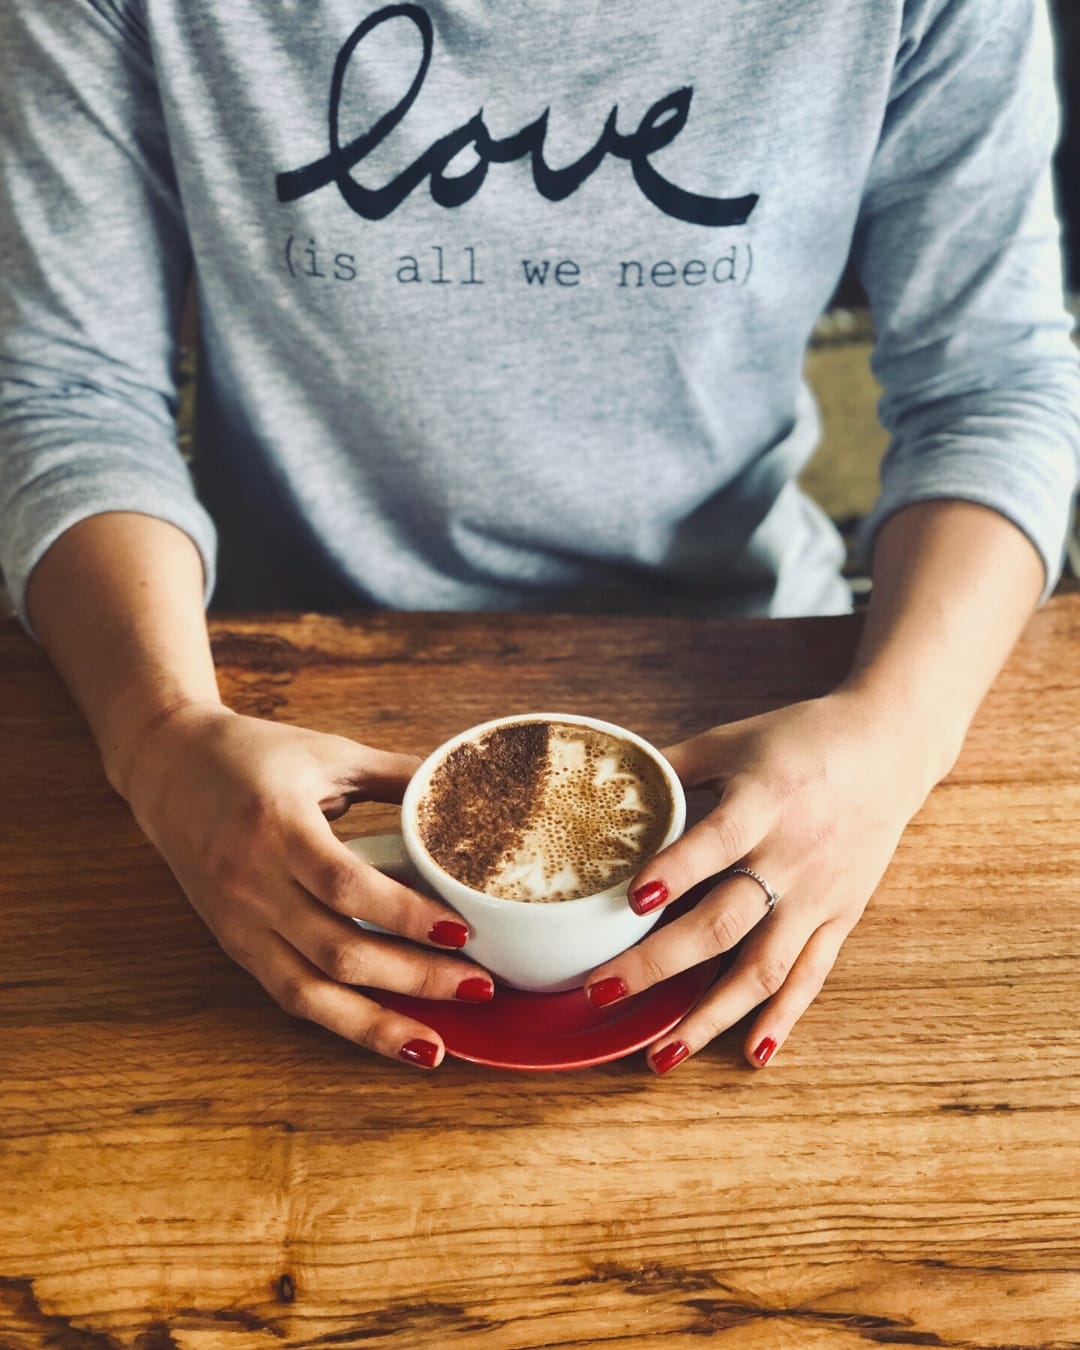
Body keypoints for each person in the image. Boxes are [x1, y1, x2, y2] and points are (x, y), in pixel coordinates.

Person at [2, 0, 1078, 1074]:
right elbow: (63, 393)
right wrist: (155, 737)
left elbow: (995, 384)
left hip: (776, 717)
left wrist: (899, 732)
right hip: (265, 711)